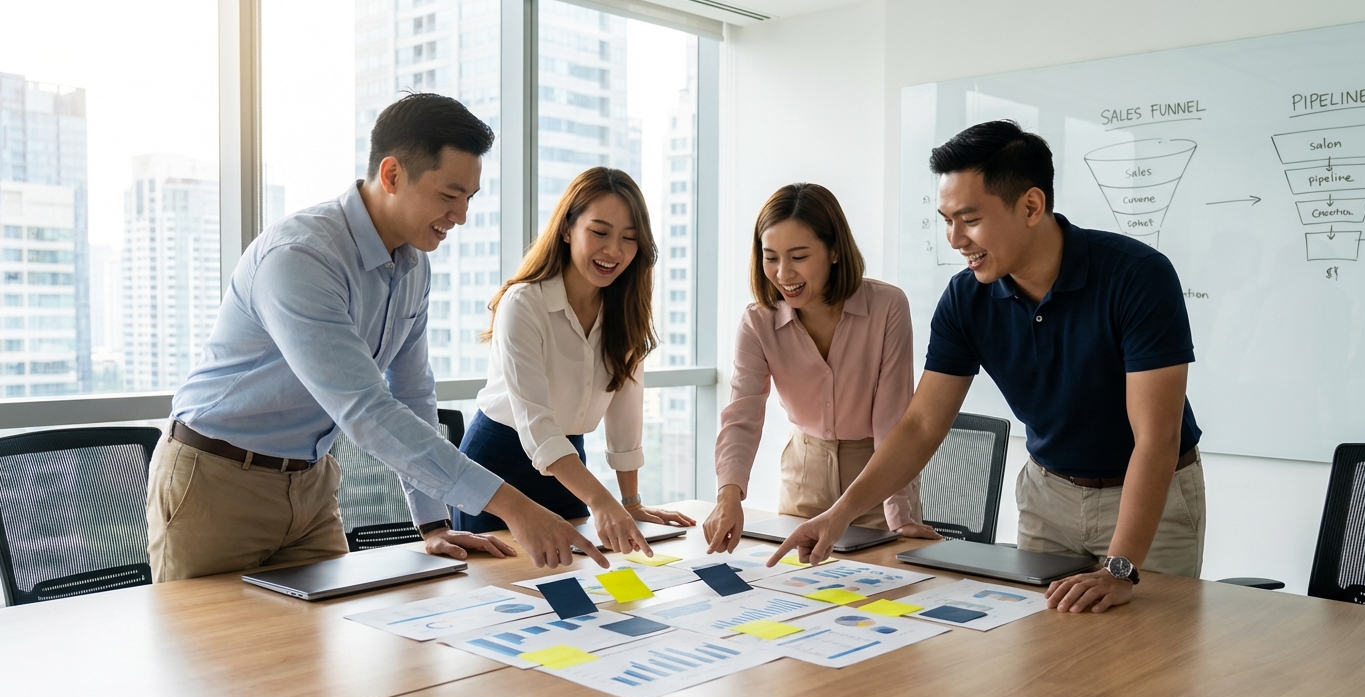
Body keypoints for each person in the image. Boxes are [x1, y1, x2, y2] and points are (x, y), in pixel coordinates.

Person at [146, 93, 608, 582]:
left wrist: (433, 522)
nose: (461, 216)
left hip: (310, 483)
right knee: (212, 655)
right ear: (391, 175)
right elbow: (366, 409)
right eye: (449, 196)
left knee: (313, 649)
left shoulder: (413, 266)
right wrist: (517, 508)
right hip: (215, 481)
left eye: (469, 199)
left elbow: (411, 395)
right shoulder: (301, 257)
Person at [768, 120, 1205, 614]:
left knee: (1146, 660)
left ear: (1032, 206)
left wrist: (1121, 567)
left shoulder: (1137, 276)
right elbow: (921, 424)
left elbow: (1156, 437)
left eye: (969, 219)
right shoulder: (965, 298)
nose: (955, 239)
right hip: (1048, 494)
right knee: (1048, 656)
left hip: (1153, 495)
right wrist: (840, 514)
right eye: (946, 219)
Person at [457, 167, 695, 554]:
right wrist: (602, 501)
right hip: (499, 464)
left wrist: (630, 503)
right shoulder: (524, 304)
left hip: (567, 466)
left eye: (629, 239)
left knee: (575, 589)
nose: (614, 251)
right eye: (599, 232)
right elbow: (538, 428)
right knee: (499, 595)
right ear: (567, 228)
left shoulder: (625, 311)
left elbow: (625, 413)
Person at [703, 183, 941, 554]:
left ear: (834, 251)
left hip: (876, 476)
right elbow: (741, 416)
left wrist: (898, 513)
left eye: (798, 256)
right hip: (803, 475)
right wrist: (728, 495)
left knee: (883, 593)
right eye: (771, 257)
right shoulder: (758, 322)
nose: (783, 274)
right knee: (801, 594)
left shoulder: (887, 307)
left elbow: (893, 419)